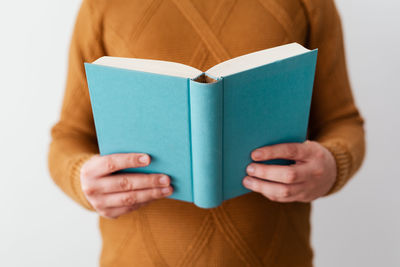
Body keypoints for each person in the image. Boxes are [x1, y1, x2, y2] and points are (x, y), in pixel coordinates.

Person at [48, 0, 365, 266]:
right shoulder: (103, 5)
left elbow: (344, 121)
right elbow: (69, 135)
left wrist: (333, 164)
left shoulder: (309, 4)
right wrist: (81, 177)